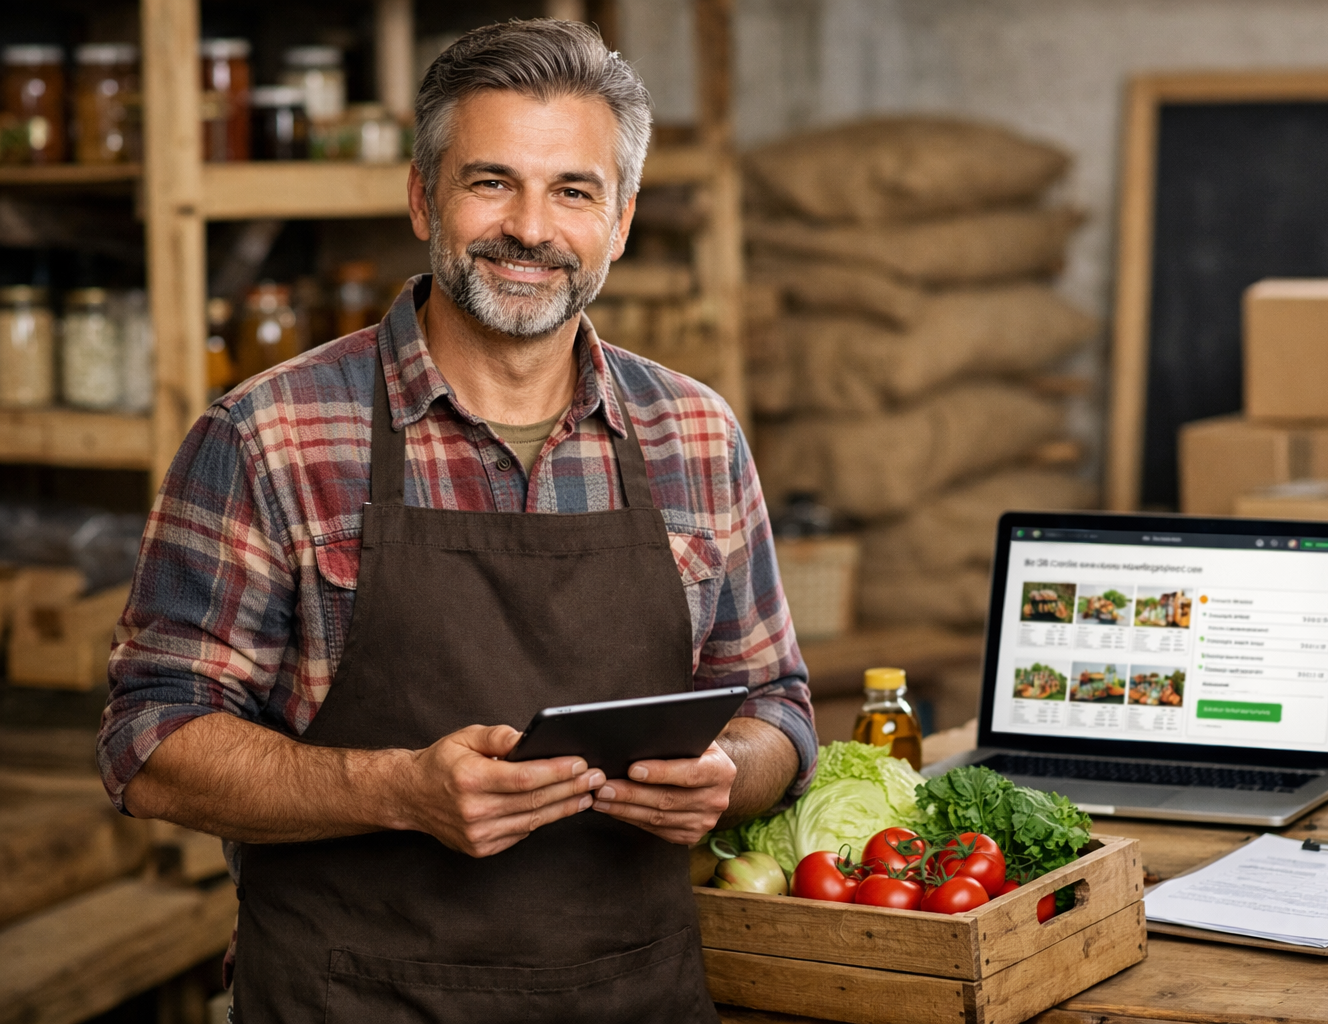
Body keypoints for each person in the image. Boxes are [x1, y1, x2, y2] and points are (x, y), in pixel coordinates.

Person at [96, 20, 815, 1024]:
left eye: (573, 190)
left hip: (633, 997)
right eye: (491, 182)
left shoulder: (694, 433)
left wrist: (728, 773)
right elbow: (150, 739)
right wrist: (395, 791)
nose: (530, 227)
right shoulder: (269, 434)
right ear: (422, 195)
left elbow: (779, 703)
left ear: (623, 219)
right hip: (347, 1002)